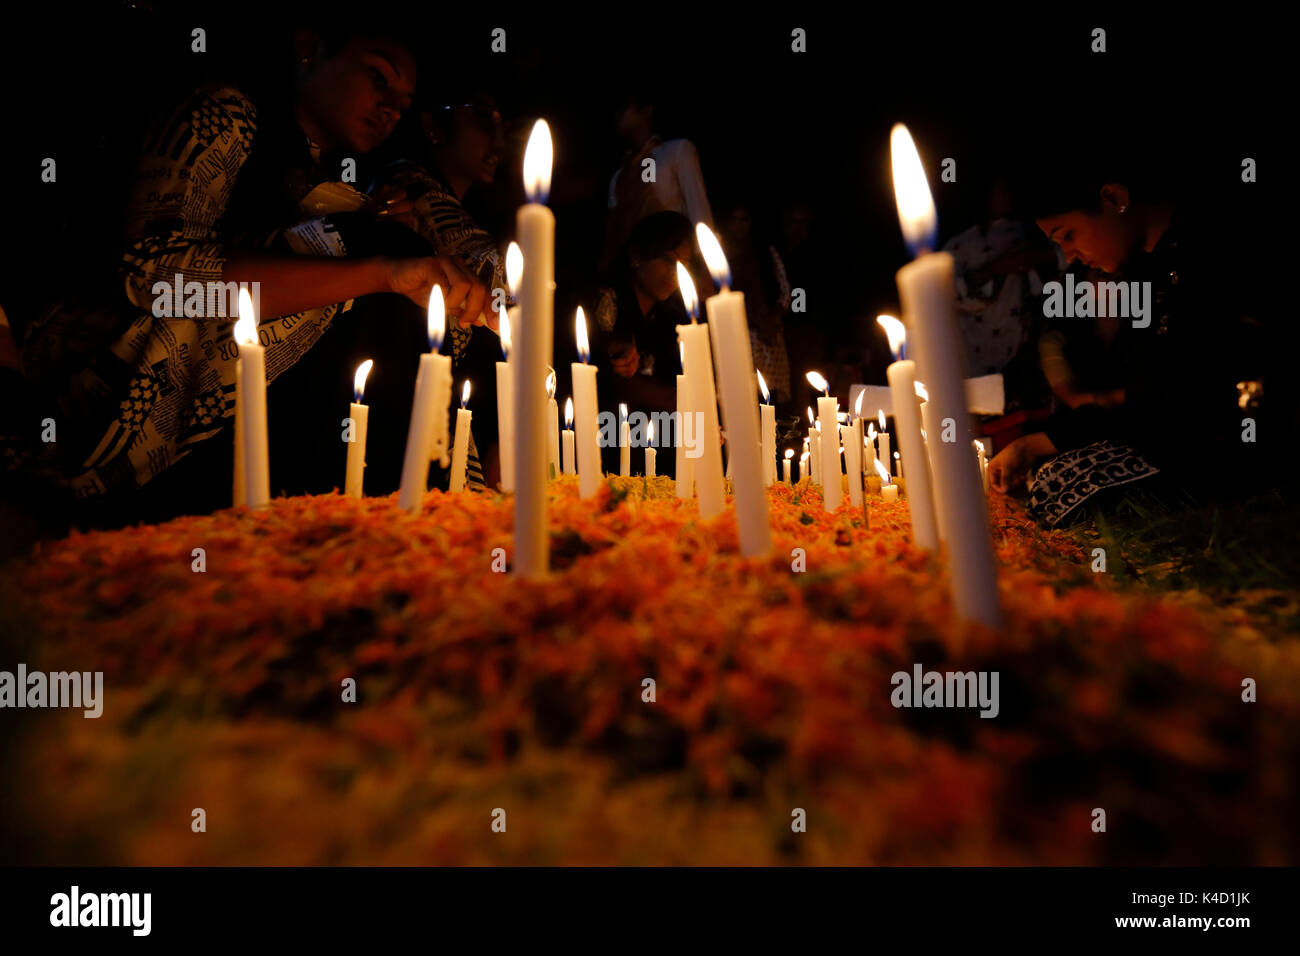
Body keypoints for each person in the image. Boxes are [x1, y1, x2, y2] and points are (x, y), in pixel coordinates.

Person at [1, 26, 496, 530]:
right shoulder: (228, 113)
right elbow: (159, 278)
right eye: (377, 77)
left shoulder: (359, 180)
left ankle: (385, 521)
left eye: (404, 101)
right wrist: (373, 270)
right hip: (135, 389)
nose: (391, 108)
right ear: (309, 48)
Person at [987, 157, 1273, 526]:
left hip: (1230, 438)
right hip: (1164, 429)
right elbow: (1144, 390)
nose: (1069, 255)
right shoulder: (1143, 271)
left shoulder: (1212, 249)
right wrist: (1035, 442)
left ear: (1114, 197)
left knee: (1061, 489)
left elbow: (1178, 396)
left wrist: (1046, 440)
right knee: (1054, 478)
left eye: (1068, 235)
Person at [370, 89, 510, 489]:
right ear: (433, 126)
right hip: (398, 409)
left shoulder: (470, 210)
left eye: (503, 127)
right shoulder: (406, 184)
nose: (498, 142)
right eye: (483, 117)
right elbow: (502, 280)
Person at [588, 211, 696, 476]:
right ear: (638, 254)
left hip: (659, 435)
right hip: (606, 435)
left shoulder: (670, 317)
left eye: (684, 264)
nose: (675, 273)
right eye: (669, 260)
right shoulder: (608, 300)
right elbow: (603, 369)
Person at [600, 89, 714, 276]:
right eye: (616, 111)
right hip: (636, 273)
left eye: (625, 107)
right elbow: (614, 231)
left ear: (646, 110)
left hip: (678, 264)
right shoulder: (620, 177)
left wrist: (704, 263)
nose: (618, 115)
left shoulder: (677, 151)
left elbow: (697, 206)